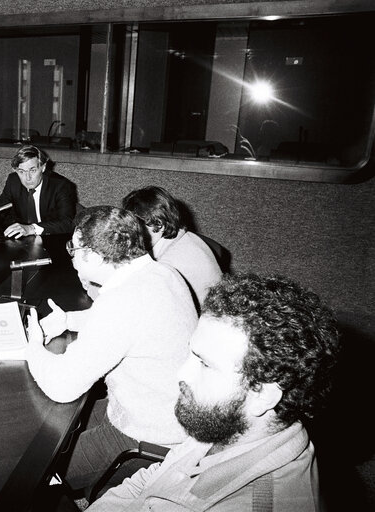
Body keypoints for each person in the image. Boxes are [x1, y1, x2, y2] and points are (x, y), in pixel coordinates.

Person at [88, 273, 339, 511]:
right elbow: (152, 482)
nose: (182, 373)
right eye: (192, 354)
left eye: (205, 364)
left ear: (263, 395)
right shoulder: (229, 422)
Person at [26, 206, 198, 490]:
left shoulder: (119, 304)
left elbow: (61, 386)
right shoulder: (162, 273)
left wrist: (32, 345)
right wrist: (67, 319)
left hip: (148, 436)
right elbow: (132, 323)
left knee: (37, 472)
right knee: (53, 428)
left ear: (93, 256)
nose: (71, 255)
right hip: (166, 413)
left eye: (74, 248)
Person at [122, 185, 222, 311]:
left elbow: (141, 308)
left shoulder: (167, 268)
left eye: (135, 226)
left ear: (159, 224)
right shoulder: (190, 238)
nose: (130, 232)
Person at [0, 145, 77, 238]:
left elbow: (67, 223)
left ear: (43, 167)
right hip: (24, 241)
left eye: (32, 170)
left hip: (51, 239)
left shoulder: (61, 185)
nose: (27, 178)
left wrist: (31, 229)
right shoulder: (13, 181)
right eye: (22, 171)